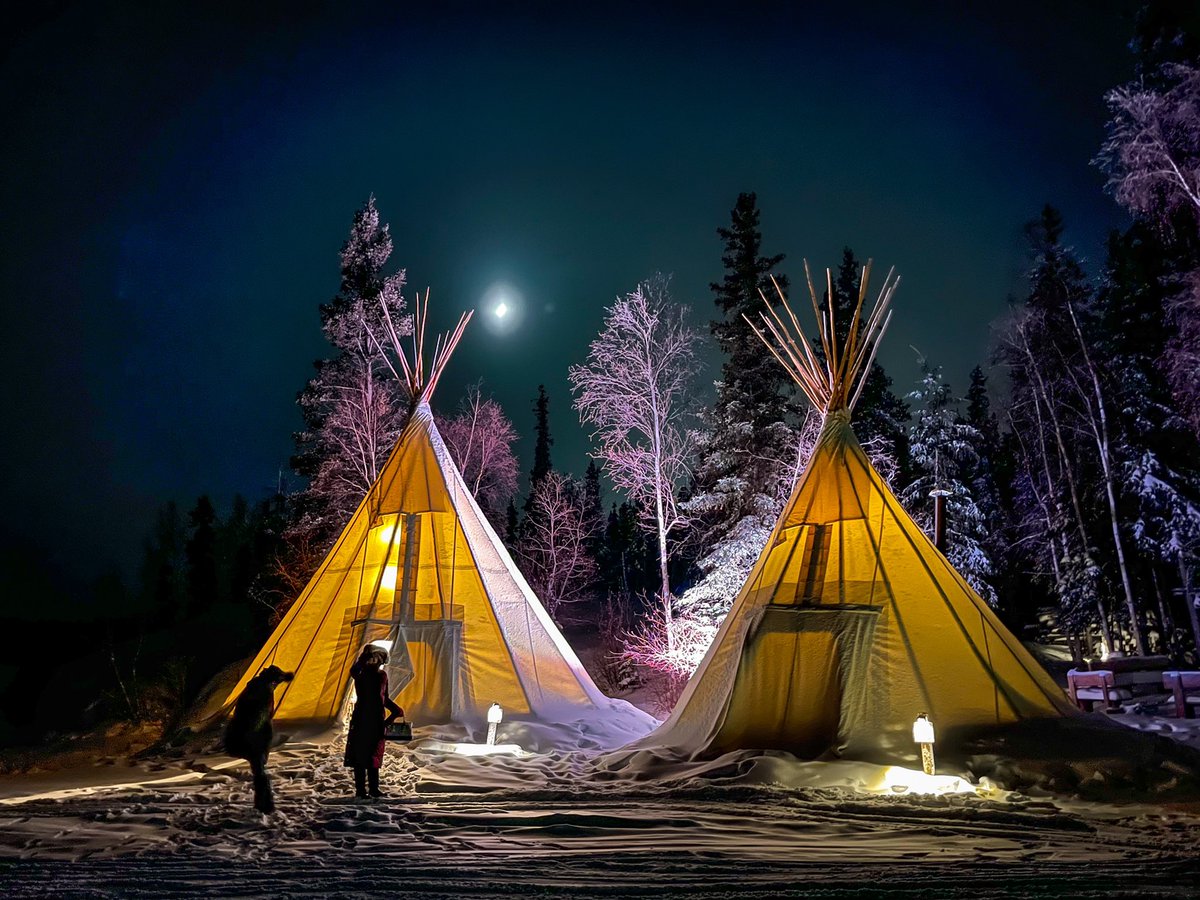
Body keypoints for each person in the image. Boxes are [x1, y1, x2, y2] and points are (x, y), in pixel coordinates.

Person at [224, 665, 294, 814]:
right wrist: (257, 735)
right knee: (259, 770)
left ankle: (263, 803)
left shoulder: (256, 686)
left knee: (258, 770)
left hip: (249, 733)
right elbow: (259, 716)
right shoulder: (263, 691)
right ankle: (265, 804)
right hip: (254, 736)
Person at [344, 644, 403, 799]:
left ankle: (374, 789)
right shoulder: (361, 673)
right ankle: (361, 791)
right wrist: (363, 658)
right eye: (373, 657)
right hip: (362, 717)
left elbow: (384, 697)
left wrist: (395, 710)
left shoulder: (382, 676)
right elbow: (354, 670)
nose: (375, 661)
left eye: (377, 658)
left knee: (374, 754)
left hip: (377, 718)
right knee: (360, 754)